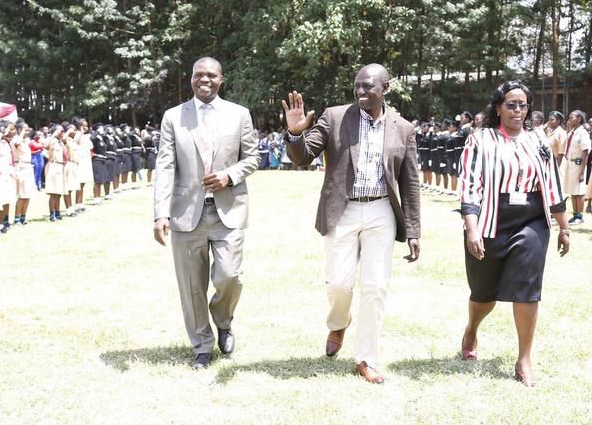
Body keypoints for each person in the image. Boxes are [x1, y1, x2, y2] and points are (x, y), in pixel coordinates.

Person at [282, 63, 421, 384]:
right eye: (357, 85)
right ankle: (338, 322)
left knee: (375, 286)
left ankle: (366, 359)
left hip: (382, 212)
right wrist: (294, 132)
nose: (360, 91)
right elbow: (302, 157)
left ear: (385, 88)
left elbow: (410, 182)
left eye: (368, 86)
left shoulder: (403, 128)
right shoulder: (334, 117)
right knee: (339, 283)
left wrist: (413, 230)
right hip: (342, 211)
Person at [458, 81, 569, 387]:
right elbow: (470, 185)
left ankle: (524, 359)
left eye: (523, 105)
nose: (518, 110)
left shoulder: (539, 140)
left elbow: (551, 183)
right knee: (484, 293)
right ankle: (471, 330)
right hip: (492, 220)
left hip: (532, 220)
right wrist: (472, 228)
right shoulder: (480, 140)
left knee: (527, 288)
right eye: (511, 104)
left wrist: (564, 226)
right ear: (498, 107)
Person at [153, 57, 259, 370]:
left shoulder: (239, 115)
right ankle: (202, 344)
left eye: (211, 75)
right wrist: (160, 213)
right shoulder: (173, 117)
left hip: (229, 210)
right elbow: (165, 166)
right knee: (192, 285)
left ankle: (224, 321)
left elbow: (253, 158)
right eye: (199, 74)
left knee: (229, 275)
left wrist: (229, 175)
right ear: (191, 79)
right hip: (186, 213)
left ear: (221, 79)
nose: (205, 80)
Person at [561, 110, 590, 225]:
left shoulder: (583, 133)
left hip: (579, 163)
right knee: (573, 190)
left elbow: (585, 151)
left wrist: (582, 171)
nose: (569, 119)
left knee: (579, 191)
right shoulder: (572, 132)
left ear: (579, 119)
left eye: (572, 117)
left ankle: (580, 215)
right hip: (570, 163)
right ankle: (575, 214)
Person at [12, 120, 36, 224]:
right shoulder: (17, 138)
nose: (27, 131)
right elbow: (17, 143)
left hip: (28, 166)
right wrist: (22, 132)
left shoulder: (26, 140)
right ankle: (17, 217)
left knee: (27, 194)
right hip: (20, 166)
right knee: (21, 195)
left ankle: (23, 216)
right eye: (25, 129)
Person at [44, 125, 68, 221]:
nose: (62, 133)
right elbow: (45, 146)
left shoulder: (60, 142)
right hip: (53, 166)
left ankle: (57, 212)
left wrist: (62, 141)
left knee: (59, 192)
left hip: (61, 166)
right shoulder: (52, 141)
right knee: (53, 192)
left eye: (63, 131)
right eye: (60, 131)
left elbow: (66, 152)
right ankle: (52, 213)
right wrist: (53, 135)